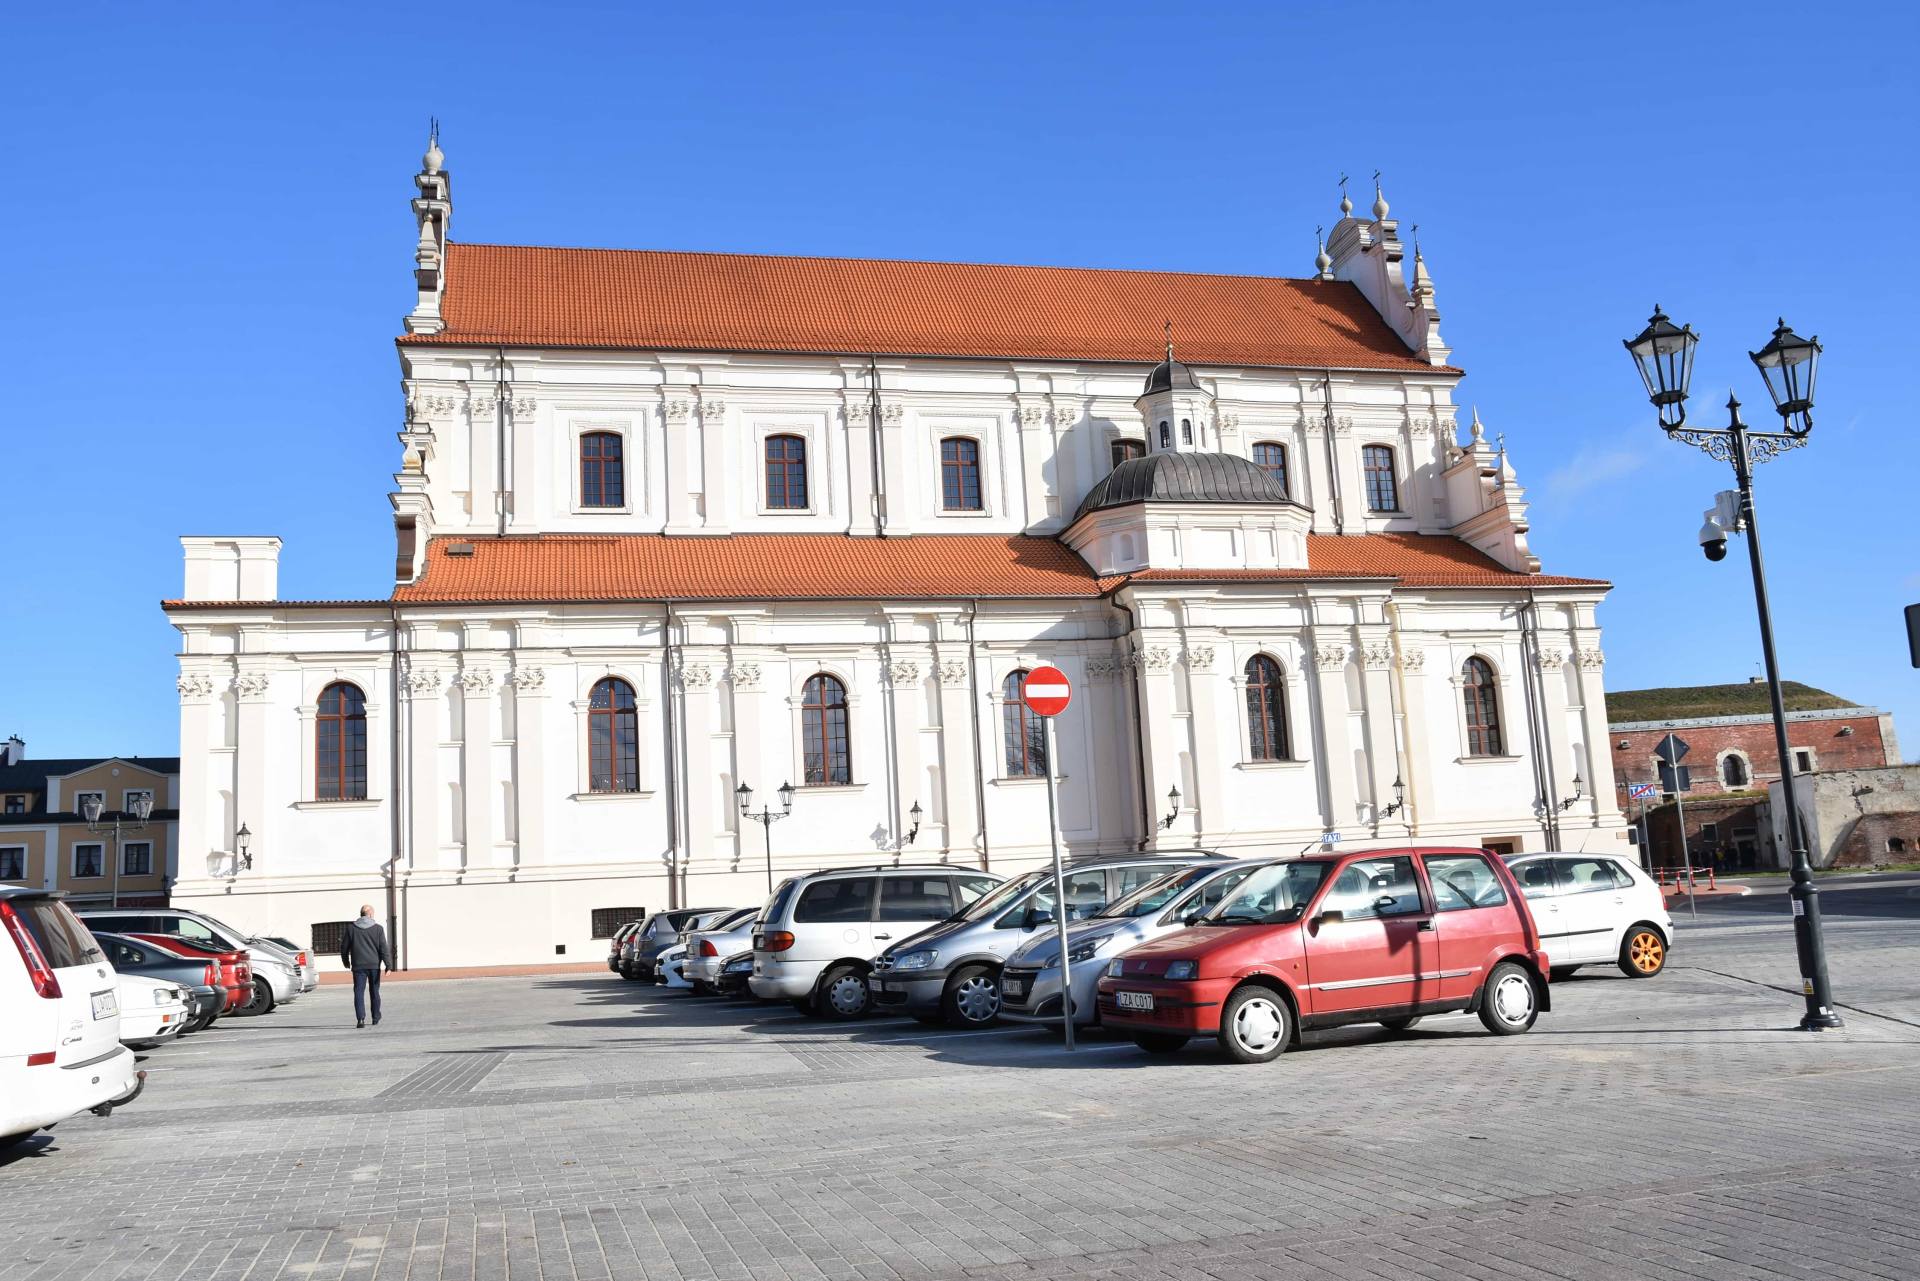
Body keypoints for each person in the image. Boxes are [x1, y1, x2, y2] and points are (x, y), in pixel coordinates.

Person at [339, 904, 394, 1028]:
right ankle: (375, 1017)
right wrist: (388, 965)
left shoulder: (351, 928)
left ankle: (360, 1019)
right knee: (374, 991)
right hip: (374, 966)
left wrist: (346, 961)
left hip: (358, 966)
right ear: (369, 914)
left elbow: (344, 947)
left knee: (358, 991)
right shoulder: (378, 929)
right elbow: (383, 948)